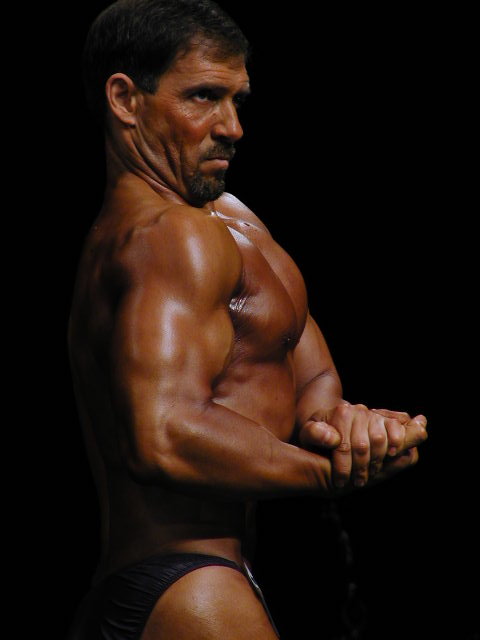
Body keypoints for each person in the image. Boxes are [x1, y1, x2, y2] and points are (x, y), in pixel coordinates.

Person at [67, 1, 428, 638]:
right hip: (182, 583)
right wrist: (327, 475)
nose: (232, 127)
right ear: (125, 100)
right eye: (204, 97)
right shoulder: (164, 238)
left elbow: (310, 379)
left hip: (207, 576)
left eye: (237, 100)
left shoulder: (233, 221)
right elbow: (163, 436)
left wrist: (349, 429)